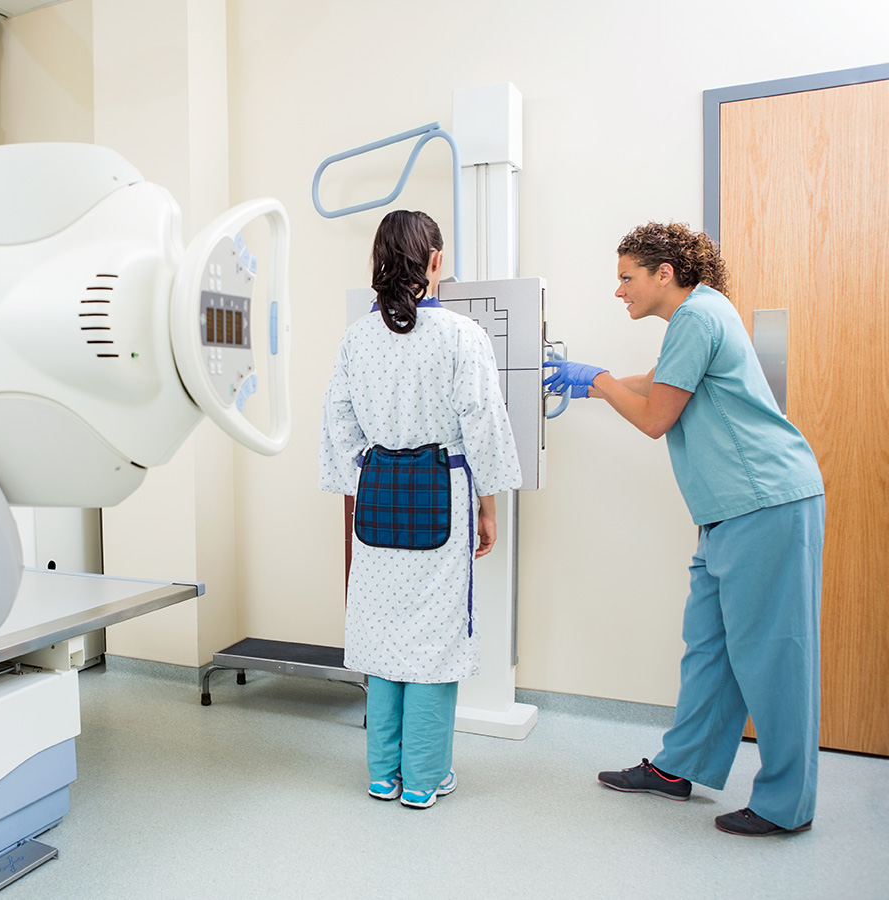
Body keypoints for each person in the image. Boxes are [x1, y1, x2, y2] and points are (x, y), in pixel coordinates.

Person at [544, 222, 825, 836]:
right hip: (726, 512)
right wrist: (596, 378)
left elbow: (653, 418)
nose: (619, 291)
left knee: (776, 656)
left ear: (663, 273)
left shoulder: (697, 317)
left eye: (627, 277)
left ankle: (786, 805)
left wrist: (596, 382)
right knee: (711, 647)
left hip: (764, 503)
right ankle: (680, 767)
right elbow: (658, 382)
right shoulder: (697, 317)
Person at [318, 209, 522, 809]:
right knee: (434, 638)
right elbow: (482, 427)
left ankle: (383, 774)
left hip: (377, 498)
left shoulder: (356, 338)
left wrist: (372, 476)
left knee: (379, 633)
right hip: (443, 493)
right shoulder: (462, 337)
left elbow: (338, 426)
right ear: (434, 261)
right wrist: (488, 507)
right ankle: (426, 778)